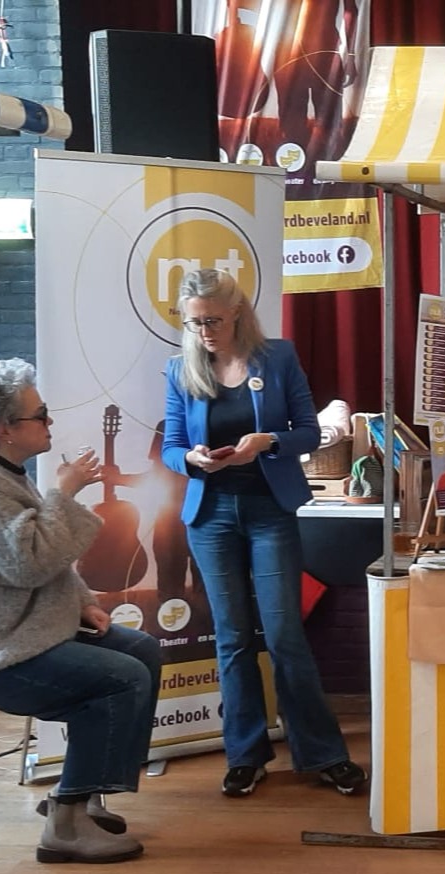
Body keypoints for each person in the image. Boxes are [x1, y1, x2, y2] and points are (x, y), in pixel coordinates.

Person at [0, 358, 162, 865]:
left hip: (27, 627)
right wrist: (65, 493)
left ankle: (86, 792)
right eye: (40, 415)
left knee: (142, 651)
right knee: (120, 679)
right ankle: (66, 824)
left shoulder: (5, 473)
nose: (49, 421)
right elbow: (30, 563)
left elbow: (46, 556)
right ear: (4, 429)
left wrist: (83, 601)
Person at [161, 268, 366, 798]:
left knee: (284, 636)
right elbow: (171, 446)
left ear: (236, 312)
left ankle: (322, 754)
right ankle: (245, 755)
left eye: (212, 321)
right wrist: (192, 458)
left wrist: (267, 442)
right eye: (193, 323)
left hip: (270, 511)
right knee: (232, 638)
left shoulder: (278, 358)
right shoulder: (180, 369)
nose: (204, 332)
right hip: (210, 516)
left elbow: (308, 433)